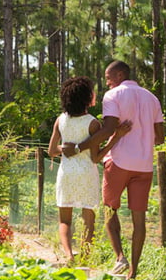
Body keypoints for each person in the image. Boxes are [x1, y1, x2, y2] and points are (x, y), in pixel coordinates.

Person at [62, 61, 164, 280]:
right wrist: (142, 138)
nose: (106, 82)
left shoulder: (113, 96)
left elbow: (108, 129)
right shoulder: (152, 98)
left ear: (119, 75)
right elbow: (161, 137)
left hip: (118, 161)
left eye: (108, 78)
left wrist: (80, 147)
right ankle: (134, 271)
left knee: (110, 209)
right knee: (139, 220)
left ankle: (120, 258)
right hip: (144, 165)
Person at [47, 77, 130, 265]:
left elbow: (52, 151)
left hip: (66, 173)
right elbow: (95, 158)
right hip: (86, 173)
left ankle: (69, 256)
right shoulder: (93, 123)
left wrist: (64, 148)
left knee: (64, 221)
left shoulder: (60, 120)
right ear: (87, 98)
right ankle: (84, 259)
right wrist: (116, 138)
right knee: (88, 221)